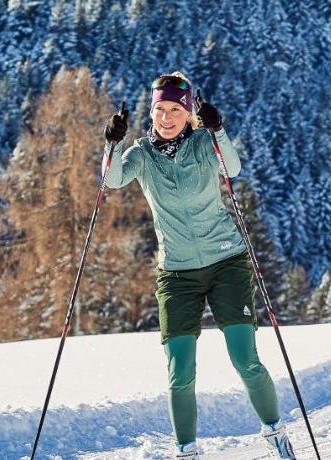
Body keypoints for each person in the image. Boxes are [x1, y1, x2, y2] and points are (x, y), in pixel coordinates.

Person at [102, 72, 295, 459]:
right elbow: (112, 180)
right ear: (152, 112)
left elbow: (232, 168)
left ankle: (275, 433)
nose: (167, 117)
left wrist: (218, 129)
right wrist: (112, 142)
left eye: (175, 110)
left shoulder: (205, 143)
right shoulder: (141, 154)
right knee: (180, 373)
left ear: (188, 113)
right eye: (160, 110)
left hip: (227, 262)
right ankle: (186, 452)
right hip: (176, 273)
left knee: (245, 359)